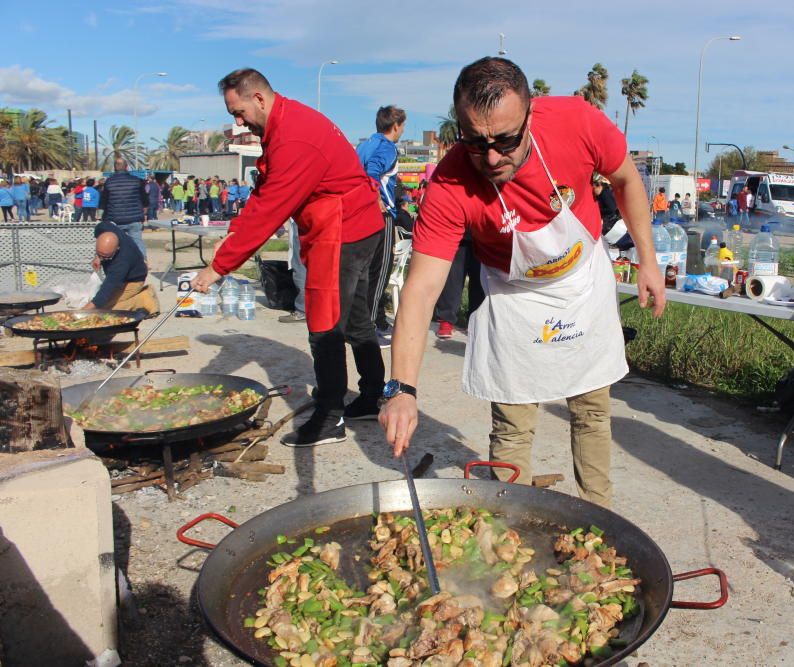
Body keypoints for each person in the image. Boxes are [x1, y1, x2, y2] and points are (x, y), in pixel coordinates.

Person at [379, 57, 665, 508]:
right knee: (512, 423)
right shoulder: (451, 182)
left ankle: (601, 518)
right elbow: (419, 292)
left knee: (591, 411)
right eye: (474, 142)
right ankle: (508, 520)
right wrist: (402, 390)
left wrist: (648, 260)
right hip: (513, 296)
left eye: (505, 141)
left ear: (530, 115)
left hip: (580, 284)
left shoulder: (576, 122)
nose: (490, 157)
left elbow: (627, 180)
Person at [190, 68, 383, 447]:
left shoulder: (293, 137)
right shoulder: (284, 122)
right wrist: (230, 238)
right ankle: (372, 397)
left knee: (324, 323)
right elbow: (263, 195)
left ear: (258, 98)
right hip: (359, 224)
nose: (237, 122)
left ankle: (329, 417)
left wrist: (218, 268)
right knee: (357, 318)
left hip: (342, 228)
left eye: (238, 112)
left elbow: (269, 211)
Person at [356, 105, 407, 341]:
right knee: (381, 272)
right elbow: (373, 170)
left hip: (360, 215)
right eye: (402, 126)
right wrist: (376, 198)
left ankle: (366, 320)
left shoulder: (364, 145)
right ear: (396, 126)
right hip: (381, 214)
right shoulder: (387, 148)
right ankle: (369, 328)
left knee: (363, 271)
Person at [85, 221, 160, 315]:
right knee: (100, 307)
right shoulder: (104, 228)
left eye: (106, 257)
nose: (102, 259)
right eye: (100, 254)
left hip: (133, 280)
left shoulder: (122, 261)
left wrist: (84, 311)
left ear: (117, 248)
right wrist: (98, 256)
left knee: (107, 311)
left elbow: (106, 290)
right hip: (121, 278)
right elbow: (102, 225)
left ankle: (144, 299)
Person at [99, 158, 149, 257]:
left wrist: (102, 217)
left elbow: (103, 202)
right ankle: (142, 263)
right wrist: (143, 214)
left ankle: (120, 264)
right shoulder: (136, 181)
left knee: (116, 244)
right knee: (137, 241)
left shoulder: (109, 182)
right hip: (134, 218)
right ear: (127, 167)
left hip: (115, 218)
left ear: (114, 168)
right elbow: (145, 200)